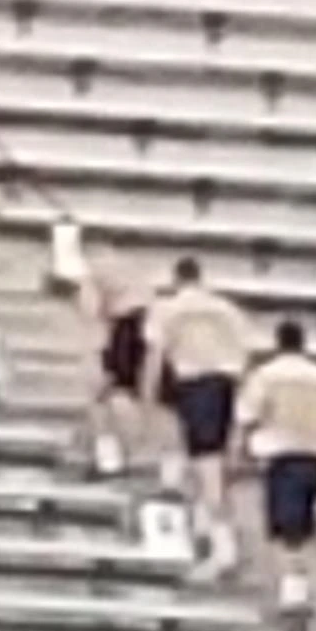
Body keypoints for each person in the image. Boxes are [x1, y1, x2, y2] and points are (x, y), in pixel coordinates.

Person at [237, 319, 316, 626]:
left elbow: (246, 414)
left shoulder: (266, 376)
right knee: (312, 527)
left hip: (282, 455)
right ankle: (315, 588)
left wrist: (238, 451)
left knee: (286, 530)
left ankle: (294, 590)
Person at [141, 258, 254, 570]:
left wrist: (146, 397)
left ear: (176, 279)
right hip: (227, 383)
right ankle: (208, 525)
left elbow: (155, 356)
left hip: (195, 382)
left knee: (207, 466)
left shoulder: (167, 309)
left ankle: (222, 545)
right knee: (213, 462)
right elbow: (246, 356)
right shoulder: (227, 309)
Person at [79, 244, 163, 477]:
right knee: (130, 392)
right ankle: (130, 448)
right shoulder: (132, 268)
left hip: (122, 330)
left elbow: (90, 310)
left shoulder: (94, 270)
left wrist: (98, 345)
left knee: (107, 393)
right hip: (144, 327)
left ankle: (112, 454)